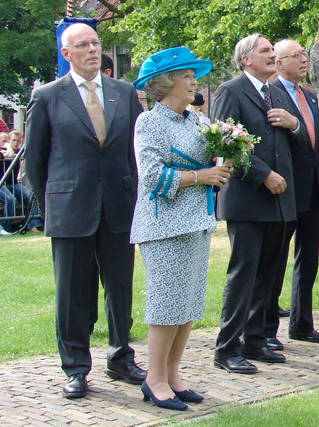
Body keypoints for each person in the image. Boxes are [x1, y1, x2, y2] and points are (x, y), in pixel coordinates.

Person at [24, 23, 146, 398]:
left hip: (117, 207)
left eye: (95, 43)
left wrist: (134, 198)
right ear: (67, 54)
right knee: (73, 293)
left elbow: (132, 153)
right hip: (70, 209)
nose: (93, 49)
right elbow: (35, 161)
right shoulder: (47, 96)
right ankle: (76, 367)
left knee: (119, 290)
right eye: (83, 45)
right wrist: (53, 208)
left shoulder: (124, 93)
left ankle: (120, 356)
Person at [129, 47, 231, 411]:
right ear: (165, 83)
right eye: (186, 76)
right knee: (165, 304)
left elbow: (214, 159)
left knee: (187, 304)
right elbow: (152, 176)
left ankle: (172, 375)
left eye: (193, 75)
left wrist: (226, 160)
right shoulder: (149, 122)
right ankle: (153, 379)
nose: (194, 82)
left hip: (198, 221)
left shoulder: (197, 121)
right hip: (163, 225)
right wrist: (199, 176)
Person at [211, 33, 308, 374]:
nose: (272, 55)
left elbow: (297, 140)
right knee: (243, 274)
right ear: (246, 59)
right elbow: (224, 143)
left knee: (268, 274)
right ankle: (227, 347)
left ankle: (256, 340)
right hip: (248, 198)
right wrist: (263, 174)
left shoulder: (277, 91)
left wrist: (294, 124)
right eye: (265, 51)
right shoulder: (230, 91)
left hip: (280, 200)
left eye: (272, 50)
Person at [266, 39, 319, 347]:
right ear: (278, 63)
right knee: (276, 260)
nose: (305, 59)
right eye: (297, 55)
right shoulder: (270, 94)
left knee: (308, 260)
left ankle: (302, 324)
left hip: (312, 188)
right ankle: (266, 329)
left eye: (304, 54)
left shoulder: (310, 97)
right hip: (285, 190)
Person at [0, 130, 42, 233]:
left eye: (18, 141)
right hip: (2, 183)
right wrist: (8, 146)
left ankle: (33, 225)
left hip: (14, 183)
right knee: (11, 200)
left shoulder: (19, 151)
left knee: (31, 195)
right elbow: (9, 154)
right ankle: (6, 228)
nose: (15, 142)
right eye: (13, 140)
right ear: (9, 141)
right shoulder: (3, 150)